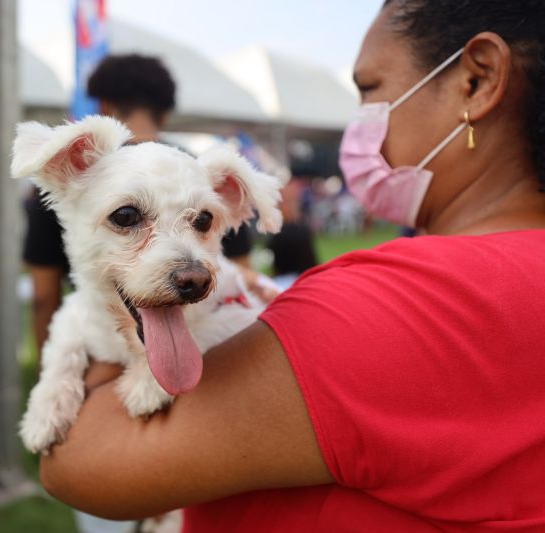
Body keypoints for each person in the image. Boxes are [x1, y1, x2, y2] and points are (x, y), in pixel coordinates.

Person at [37, 2, 545, 531]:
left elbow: (79, 464)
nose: (359, 121)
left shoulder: (391, 304)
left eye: (369, 88)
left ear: (475, 81)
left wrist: (89, 350)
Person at [24, 53, 253, 356]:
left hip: (97, 350)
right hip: (210, 357)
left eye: (200, 222)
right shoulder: (206, 176)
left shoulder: (74, 169)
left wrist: (46, 362)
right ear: (165, 113)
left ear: (103, 105)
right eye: (127, 218)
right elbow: (242, 274)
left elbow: (44, 296)